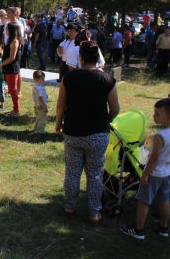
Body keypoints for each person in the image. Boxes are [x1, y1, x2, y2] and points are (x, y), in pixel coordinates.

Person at [56, 41, 119, 223]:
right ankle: (94, 212)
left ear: (80, 57)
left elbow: (61, 104)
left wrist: (58, 123)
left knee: (73, 172)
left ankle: (70, 205)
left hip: (73, 131)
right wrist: (106, 121)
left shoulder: (69, 77)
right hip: (98, 133)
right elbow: (115, 108)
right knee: (95, 174)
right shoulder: (107, 79)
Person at [120, 99, 170, 240]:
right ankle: (163, 227)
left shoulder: (160, 137)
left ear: (168, 117)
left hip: (154, 174)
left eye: (157, 114)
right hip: (167, 173)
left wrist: (145, 175)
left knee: (143, 201)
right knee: (164, 200)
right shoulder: (163, 135)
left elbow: (154, 158)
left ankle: (138, 229)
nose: (154, 116)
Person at [0, 22, 21, 115]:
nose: (6, 30)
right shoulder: (9, 40)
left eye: (7, 29)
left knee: (12, 90)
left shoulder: (15, 41)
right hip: (7, 67)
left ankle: (16, 110)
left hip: (12, 68)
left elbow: (12, 57)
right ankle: (15, 109)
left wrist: (2, 64)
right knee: (11, 89)